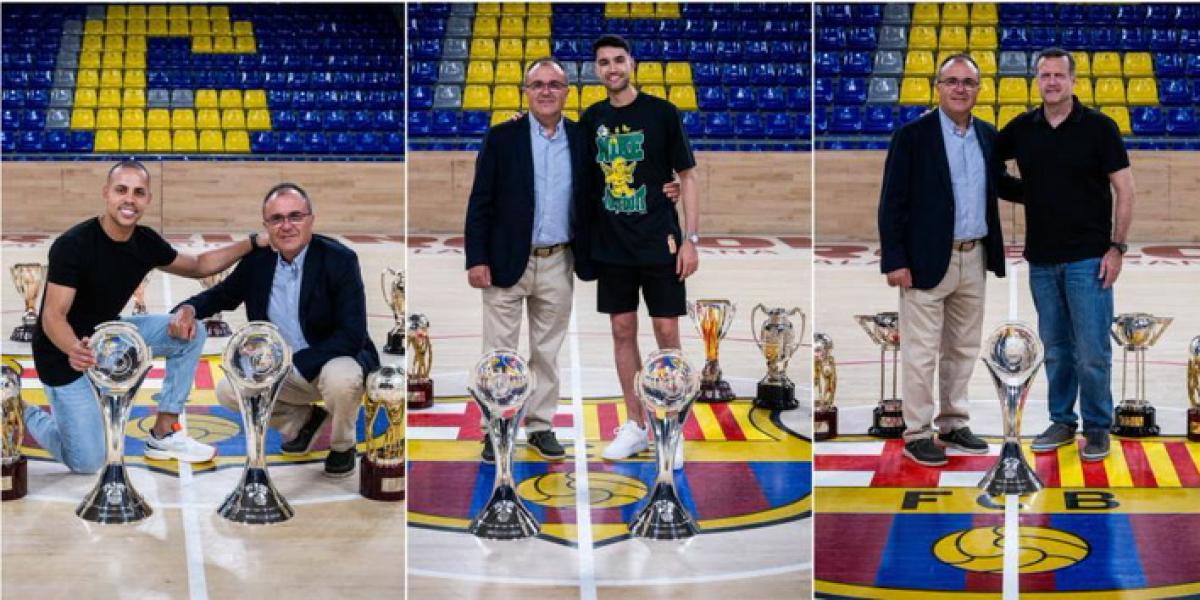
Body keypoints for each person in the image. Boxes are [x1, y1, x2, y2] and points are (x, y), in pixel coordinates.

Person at [464, 57, 679, 463]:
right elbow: (481, 202)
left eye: (555, 84)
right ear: (526, 92)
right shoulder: (501, 137)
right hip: (506, 261)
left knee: (546, 351)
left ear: (567, 92)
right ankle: (497, 427)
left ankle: (540, 425)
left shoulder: (583, 139)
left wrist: (668, 186)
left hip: (559, 259)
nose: (546, 91)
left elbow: (623, 173)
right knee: (500, 353)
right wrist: (476, 258)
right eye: (538, 84)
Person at [26, 160, 259, 473]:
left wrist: (253, 243)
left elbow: (198, 266)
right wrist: (74, 349)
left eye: (138, 192)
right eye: (121, 190)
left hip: (109, 338)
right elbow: (53, 316)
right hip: (63, 353)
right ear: (106, 193)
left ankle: (164, 433)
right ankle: (19, 409)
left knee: (191, 331)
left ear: (148, 199)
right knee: (88, 462)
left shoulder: (145, 242)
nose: (129, 199)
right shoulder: (73, 245)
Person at [171, 183, 380, 476]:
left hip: (329, 358)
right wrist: (189, 309)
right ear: (266, 226)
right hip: (280, 365)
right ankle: (303, 421)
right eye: (277, 219)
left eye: (295, 216)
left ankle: (343, 445)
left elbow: (352, 334)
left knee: (342, 378)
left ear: (311, 219)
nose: (287, 226)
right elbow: (221, 295)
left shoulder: (339, 259)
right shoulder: (258, 260)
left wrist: (296, 363)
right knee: (228, 391)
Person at [878, 54, 1022, 467]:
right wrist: (895, 259)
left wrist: (1054, 186)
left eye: (968, 83)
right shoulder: (913, 136)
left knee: (962, 348)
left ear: (979, 89)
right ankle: (918, 431)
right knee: (921, 353)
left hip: (973, 256)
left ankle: (953, 421)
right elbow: (892, 203)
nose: (960, 89)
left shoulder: (989, 137)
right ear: (937, 86)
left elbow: (1003, 186)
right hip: (924, 262)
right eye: (952, 81)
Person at [997, 47, 1135, 461]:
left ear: (1074, 80)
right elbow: (991, 165)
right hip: (1042, 260)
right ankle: (1062, 420)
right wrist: (1028, 194)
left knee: (1092, 350)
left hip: (1089, 259)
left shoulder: (1099, 128)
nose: (1052, 82)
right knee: (1056, 348)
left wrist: (1117, 248)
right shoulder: (1023, 127)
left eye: (1059, 75)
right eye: (1045, 75)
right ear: (1036, 81)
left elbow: (1125, 190)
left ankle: (1096, 426)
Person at [577, 35, 699, 465]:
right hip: (612, 247)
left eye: (618, 60)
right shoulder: (591, 118)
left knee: (667, 335)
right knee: (622, 332)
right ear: (596, 70)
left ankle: (671, 425)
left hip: (658, 243)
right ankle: (636, 424)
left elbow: (687, 176)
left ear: (632, 63)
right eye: (604, 62)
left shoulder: (662, 113)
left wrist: (691, 238)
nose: (612, 68)